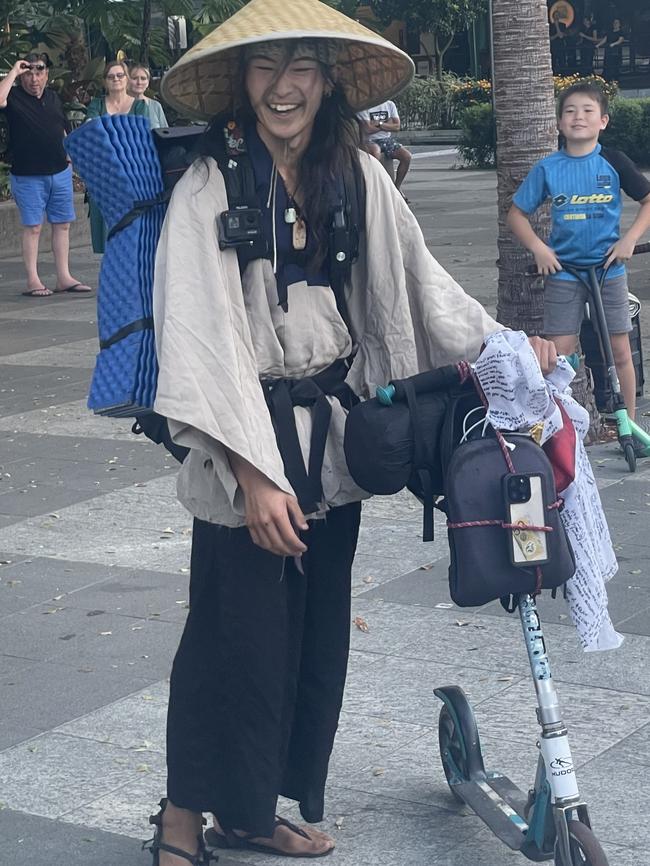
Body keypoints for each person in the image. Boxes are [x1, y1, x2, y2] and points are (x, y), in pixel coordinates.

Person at [144, 0, 558, 863]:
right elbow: (198, 332)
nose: (284, 87)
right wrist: (251, 473)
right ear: (241, 82)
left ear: (328, 81)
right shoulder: (208, 185)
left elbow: (423, 289)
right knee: (232, 636)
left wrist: (514, 359)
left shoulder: (357, 176)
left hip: (330, 449)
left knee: (311, 637)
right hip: (243, 449)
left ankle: (253, 812)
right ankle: (183, 817)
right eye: (266, 69)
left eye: (302, 67)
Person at [507, 82, 650, 427]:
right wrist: (540, 249)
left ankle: (628, 423)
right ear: (558, 123)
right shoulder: (548, 168)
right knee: (560, 355)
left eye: (588, 111)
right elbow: (516, 215)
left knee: (619, 352)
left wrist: (629, 240)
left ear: (603, 121)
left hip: (608, 271)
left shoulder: (613, 161)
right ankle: (563, 425)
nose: (578, 117)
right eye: (570, 111)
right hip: (564, 274)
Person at [0, 53, 92, 297]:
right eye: (28, 73)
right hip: (28, 174)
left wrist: (70, 158)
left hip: (59, 172)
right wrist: (13, 72)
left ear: (47, 74)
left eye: (39, 72)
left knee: (62, 225)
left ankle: (64, 276)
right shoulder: (14, 97)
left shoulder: (52, 98)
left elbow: (61, 127)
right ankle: (33, 279)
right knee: (33, 227)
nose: (34, 78)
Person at [85, 60, 148, 253]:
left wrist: (108, 130)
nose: (116, 79)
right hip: (103, 175)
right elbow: (92, 134)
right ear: (105, 81)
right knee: (107, 235)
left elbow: (139, 137)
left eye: (120, 75)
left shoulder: (139, 106)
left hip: (132, 175)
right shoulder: (96, 104)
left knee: (132, 232)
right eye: (111, 76)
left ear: (126, 78)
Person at [357, 99, 412, 196]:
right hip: (368, 140)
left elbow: (397, 127)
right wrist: (388, 123)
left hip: (386, 139)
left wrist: (379, 124)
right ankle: (374, 187)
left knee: (406, 156)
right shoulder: (364, 106)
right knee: (375, 152)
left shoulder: (389, 104)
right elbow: (367, 129)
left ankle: (397, 187)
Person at [127, 63, 168, 128]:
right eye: (134, 78)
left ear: (148, 82)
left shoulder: (156, 106)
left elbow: (165, 133)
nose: (139, 82)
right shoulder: (119, 105)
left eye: (143, 78)